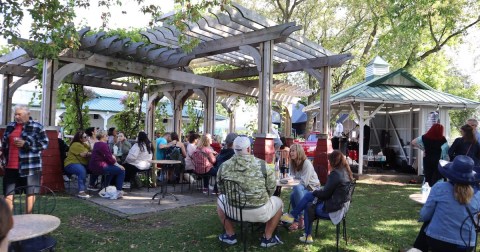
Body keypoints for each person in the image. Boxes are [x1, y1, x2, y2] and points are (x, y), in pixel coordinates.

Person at [216, 136, 284, 248]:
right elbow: (272, 188)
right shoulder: (263, 165)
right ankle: (267, 238)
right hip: (260, 212)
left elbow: (221, 189)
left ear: (234, 148)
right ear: (248, 149)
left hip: (234, 211)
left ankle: (230, 235)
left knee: (220, 200)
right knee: (279, 202)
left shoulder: (224, 166)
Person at [281, 150, 354, 244]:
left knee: (308, 205)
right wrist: (317, 192)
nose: (328, 162)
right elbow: (329, 192)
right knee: (308, 196)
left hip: (334, 211)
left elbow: (325, 195)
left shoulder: (335, 174)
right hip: (341, 207)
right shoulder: (345, 172)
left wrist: (315, 192)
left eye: (329, 160)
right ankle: (295, 218)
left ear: (333, 161)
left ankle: (306, 233)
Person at [413, 155, 480, 252]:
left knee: (428, 223)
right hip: (467, 243)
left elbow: (425, 215)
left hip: (438, 240)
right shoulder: (478, 194)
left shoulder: (440, 187)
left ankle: (416, 249)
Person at [1, 105, 49, 212]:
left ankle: (28, 218)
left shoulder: (37, 127)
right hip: (11, 166)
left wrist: (26, 144)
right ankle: (9, 220)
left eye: (20, 114)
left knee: (30, 192)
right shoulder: (10, 126)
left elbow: (44, 145)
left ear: (28, 114)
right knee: (8, 193)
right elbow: (4, 144)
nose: (17, 117)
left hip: (30, 167)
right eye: (15, 114)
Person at [284, 143, 321, 231]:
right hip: (302, 188)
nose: (291, 153)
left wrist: (292, 180)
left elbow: (304, 182)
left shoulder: (306, 163)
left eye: (293, 151)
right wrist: (289, 179)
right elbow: (293, 177)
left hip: (313, 189)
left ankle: (299, 218)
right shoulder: (293, 163)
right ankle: (299, 220)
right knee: (293, 194)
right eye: (290, 151)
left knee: (297, 188)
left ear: (299, 152)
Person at [88, 130, 126, 199]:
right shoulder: (103, 144)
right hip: (99, 166)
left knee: (112, 170)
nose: (108, 137)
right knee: (121, 170)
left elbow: (107, 156)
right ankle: (118, 191)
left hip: (93, 166)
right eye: (106, 135)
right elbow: (109, 158)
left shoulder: (96, 144)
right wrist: (118, 165)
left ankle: (105, 187)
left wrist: (113, 160)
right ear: (103, 136)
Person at [64, 131, 92, 199]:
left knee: (95, 168)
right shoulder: (76, 144)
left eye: (87, 136)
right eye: (85, 137)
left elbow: (91, 149)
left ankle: (92, 186)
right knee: (81, 170)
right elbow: (84, 154)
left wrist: (89, 142)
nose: (86, 138)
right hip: (71, 164)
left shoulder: (84, 144)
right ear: (80, 138)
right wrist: (91, 153)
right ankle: (81, 192)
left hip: (81, 164)